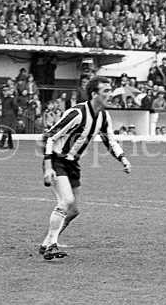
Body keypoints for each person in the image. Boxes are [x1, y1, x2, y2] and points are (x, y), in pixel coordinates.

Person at [39, 76, 132, 260]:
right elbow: (49, 136)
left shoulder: (104, 116)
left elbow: (109, 141)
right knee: (66, 200)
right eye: (105, 91)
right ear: (94, 94)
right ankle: (52, 246)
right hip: (56, 160)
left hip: (72, 164)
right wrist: (48, 166)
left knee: (74, 210)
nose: (110, 94)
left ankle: (47, 241)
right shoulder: (77, 113)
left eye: (110, 90)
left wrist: (122, 158)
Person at [0, 85, 18, 150]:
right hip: (5, 115)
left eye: (5, 90)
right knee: (8, 130)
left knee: (6, 129)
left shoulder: (11, 98)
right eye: (3, 90)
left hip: (9, 116)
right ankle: (10, 145)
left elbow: (15, 106)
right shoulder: (4, 98)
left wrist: (14, 114)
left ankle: (2, 142)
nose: (4, 92)